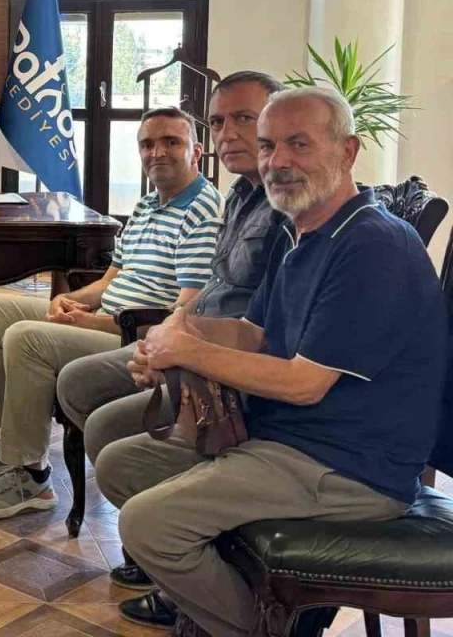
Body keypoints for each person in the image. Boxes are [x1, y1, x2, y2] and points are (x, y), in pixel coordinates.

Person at [99, 86, 448, 637]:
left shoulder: (373, 245)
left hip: (349, 468)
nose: (277, 161)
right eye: (267, 146)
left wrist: (189, 351)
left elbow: (304, 383)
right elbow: (252, 333)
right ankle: (243, 609)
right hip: (281, 439)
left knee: (149, 525)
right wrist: (171, 335)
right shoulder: (297, 228)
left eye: (298, 144)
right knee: (121, 464)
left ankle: (266, 628)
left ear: (348, 151)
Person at [55, 72, 285, 627]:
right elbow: (212, 296)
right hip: (198, 353)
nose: (229, 133)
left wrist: (177, 346)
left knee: (86, 396)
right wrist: (169, 339)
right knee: (102, 421)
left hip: (237, 388)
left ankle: (182, 559)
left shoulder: (294, 216)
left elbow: (273, 343)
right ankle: (168, 559)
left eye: (245, 119)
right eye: (219, 120)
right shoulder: (243, 198)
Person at [0, 106, 222, 519]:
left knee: (27, 338)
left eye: (171, 142)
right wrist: (71, 301)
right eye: (148, 144)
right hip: (106, 319)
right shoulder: (146, 205)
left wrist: (92, 322)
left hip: (137, 338)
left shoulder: (203, 212)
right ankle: (9, 441)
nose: (157, 152)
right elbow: (110, 280)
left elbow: (182, 315)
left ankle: (31, 478)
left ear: (197, 151)